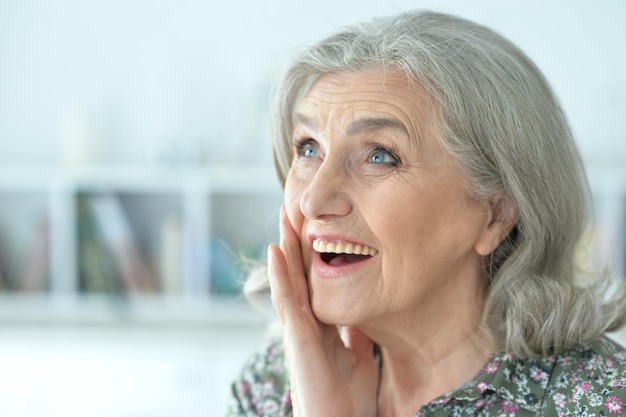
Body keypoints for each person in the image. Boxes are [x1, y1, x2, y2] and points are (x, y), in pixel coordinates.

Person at [227, 9, 626, 417]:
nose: (313, 200)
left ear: (495, 214)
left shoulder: (601, 402)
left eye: (380, 156)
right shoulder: (270, 388)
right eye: (308, 148)